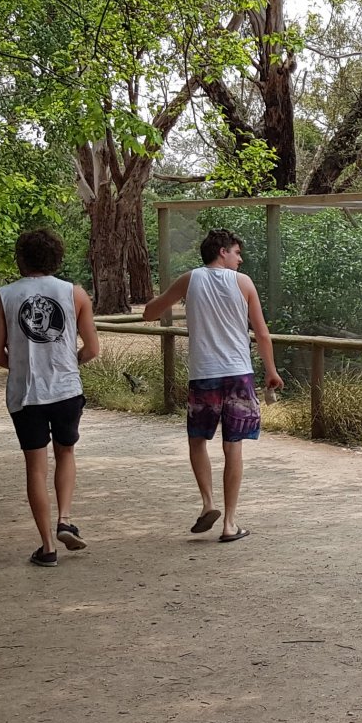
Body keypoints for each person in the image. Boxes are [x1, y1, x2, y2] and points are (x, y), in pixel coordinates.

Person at [143, 228, 282, 542]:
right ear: (222, 251)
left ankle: (207, 503)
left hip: (204, 373)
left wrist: (159, 304)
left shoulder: (190, 279)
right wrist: (271, 371)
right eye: (236, 252)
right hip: (238, 373)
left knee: (197, 440)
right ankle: (230, 523)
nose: (239, 258)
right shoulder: (243, 283)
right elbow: (261, 333)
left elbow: (151, 311)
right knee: (233, 446)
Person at [0, 229, 100, 567]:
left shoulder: (3, 296)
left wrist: (22, 366)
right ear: (57, 258)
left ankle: (47, 547)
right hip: (66, 389)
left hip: (26, 394)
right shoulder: (75, 293)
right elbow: (92, 349)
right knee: (65, 453)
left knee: (35, 467)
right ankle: (65, 517)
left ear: (20, 258)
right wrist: (67, 364)